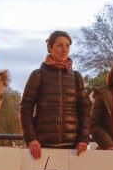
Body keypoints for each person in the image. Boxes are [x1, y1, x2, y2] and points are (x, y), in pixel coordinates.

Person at [20, 31, 90, 159]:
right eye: (59, 45)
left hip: (73, 148)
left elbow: (85, 111)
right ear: (50, 48)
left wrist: (84, 139)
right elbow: (25, 109)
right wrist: (31, 138)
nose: (64, 49)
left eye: (67, 46)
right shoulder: (38, 75)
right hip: (42, 146)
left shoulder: (76, 77)